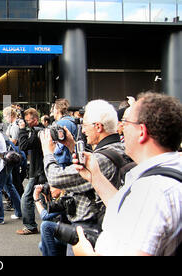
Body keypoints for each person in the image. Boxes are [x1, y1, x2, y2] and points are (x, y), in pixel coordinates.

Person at [72, 92, 182, 256]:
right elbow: (126, 209)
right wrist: (95, 176)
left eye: (125, 123)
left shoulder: (152, 191)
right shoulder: (163, 175)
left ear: (142, 132)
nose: (120, 129)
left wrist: (86, 253)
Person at [41, 99, 132, 255]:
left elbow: (56, 178)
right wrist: (71, 145)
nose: (82, 130)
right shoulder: (120, 149)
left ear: (98, 126)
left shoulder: (101, 159)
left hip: (88, 226)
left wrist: (47, 152)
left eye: (85, 125)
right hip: (104, 222)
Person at [15, 108, 45, 235]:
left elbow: (23, 146)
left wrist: (21, 130)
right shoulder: (39, 130)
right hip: (39, 169)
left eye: (28, 121)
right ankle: (48, 225)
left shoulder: (38, 132)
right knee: (43, 198)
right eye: (25, 121)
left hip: (38, 170)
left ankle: (31, 226)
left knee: (26, 198)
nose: (26, 123)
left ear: (35, 120)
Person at [34, 184, 68, 256]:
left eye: (52, 188)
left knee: (45, 225)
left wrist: (36, 198)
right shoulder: (60, 196)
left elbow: (45, 216)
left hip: (73, 236)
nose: (50, 190)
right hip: (68, 232)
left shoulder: (65, 199)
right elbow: (51, 212)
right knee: (42, 245)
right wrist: (47, 197)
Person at [51, 99, 78, 168]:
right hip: (72, 159)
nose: (52, 112)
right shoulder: (72, 120)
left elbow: (58, 147)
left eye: (53, 109)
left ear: (57, 110)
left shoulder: (61, 123)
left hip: (63, 161)